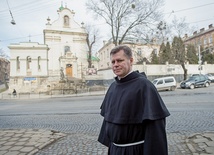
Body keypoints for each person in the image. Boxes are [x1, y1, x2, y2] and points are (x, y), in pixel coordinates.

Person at [98, 45, 170, 155]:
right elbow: (109, 120)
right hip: (115, 150)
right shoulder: (112, 87)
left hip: (135, 151)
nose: (116, 65)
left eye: (120, 60)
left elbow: (155, 128)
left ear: (131, 61)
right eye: (113, 62)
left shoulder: (144, 86)